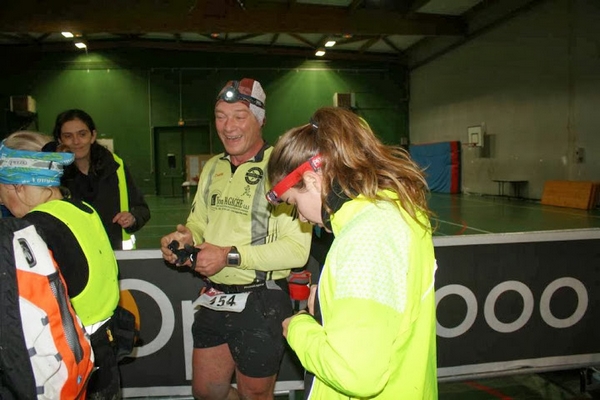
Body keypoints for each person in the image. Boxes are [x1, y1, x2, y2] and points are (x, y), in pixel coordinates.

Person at [265, 107, 438, 399]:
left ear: (312, 179)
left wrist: (298, 328)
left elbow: (356, 374)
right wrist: (328, 300)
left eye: (293, 204)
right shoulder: (390, 212)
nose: (301, 218)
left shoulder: (366, 237)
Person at [160, 78, 312, 400]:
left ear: (260, 119)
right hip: (215, 294)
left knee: (255, 395)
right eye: (220, 115)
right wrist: (186, 236)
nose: (228, 126)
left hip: (262, 300)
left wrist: (229, 255)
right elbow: (199, 220)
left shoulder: (281, 169)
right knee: (207, 391)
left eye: (239, 116)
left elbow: (297, 251)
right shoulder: (213, 166)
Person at [0, 131, 125, 399]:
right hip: (106, 350)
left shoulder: (29, 233)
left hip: (69, 366)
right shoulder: (84, 209)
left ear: (18, 187)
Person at [52, 109, 150, 250]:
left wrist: (132, 217)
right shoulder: (53, 174)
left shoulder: (116, 166)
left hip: (115, 255)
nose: (76, 141)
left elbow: (142, 209)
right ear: (60, 141)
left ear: (93, 136)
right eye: (68, 136)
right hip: (73, 257)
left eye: (82, 134)